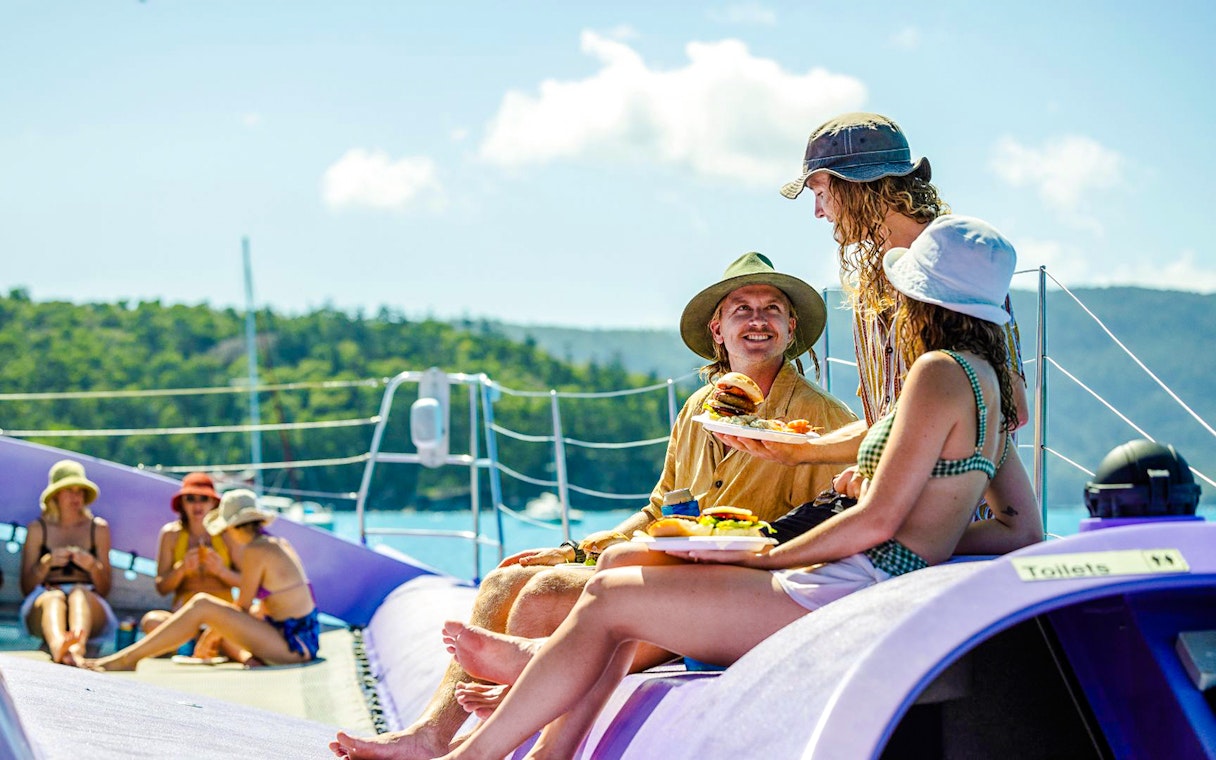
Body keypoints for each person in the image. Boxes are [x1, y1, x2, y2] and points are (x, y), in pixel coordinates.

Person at [421, 214, 1032, 760]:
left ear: (920, 298)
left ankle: (493, 730)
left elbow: (874, 520)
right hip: (874, 575)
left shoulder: (935, 372)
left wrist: (771, 555)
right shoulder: (990, 389)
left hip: (852, 584)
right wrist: (931, 544)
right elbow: (1020, 530)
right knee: (623, 561)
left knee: (610, 596)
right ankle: (540, 731)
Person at [330, 252, 857, 759]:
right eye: (742, 309)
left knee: (542, 594)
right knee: (502, 581)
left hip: (727, 594)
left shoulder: (820, 421)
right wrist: (574, 550)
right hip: (663, 570)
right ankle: (431, 736)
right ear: (717, 331)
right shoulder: (700, 409)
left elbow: (825, 531)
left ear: (791, 330)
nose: (758, 320)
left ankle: (511, 740)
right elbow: (660, 511)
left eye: (772, 310)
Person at [732, 111, 1042, 554]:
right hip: (882, 505)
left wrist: (889, 477)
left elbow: (1008, 411)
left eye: (821, 193)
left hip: (939, 521)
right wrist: (801, 451)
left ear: (859, 189)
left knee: (736, 558)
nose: (818, 212)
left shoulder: (957, 268)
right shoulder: (873, 279)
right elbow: (892, 424)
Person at [76, 489, 319, 671]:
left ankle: (127, 659)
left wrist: (211, 635)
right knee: (204, 608)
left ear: (232, 528)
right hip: (301, 638)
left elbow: (243, 608)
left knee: (202, 604)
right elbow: (270, 605)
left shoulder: (256, 551)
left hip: (293, 645)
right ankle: (129, 658)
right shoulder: (276, 543)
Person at [140, 472, 245, 662]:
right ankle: (206, 646)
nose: (197, 505)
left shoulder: (227, 534)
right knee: (151, 621)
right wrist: (181, 570)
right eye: (190, 498)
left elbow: (246, 582)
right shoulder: (171, 534)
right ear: (182, 503)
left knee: (233, 629)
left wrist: (221, 571)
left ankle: (203, 645)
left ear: (213, 503)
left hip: (223, 615)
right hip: (185, 619)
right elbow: (162, 587)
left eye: (203, 498)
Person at [19, 460, 115, 665]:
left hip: (90, 602)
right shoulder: (37, 529)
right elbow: (26, 588)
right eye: (69, 490)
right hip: (44, 598)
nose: (76, 497)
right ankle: (59, 648)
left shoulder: (98, 528)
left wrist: (91, 566)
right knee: (53, 597)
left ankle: (76, 649)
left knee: (80, 593)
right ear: (55, 495)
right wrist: (46, 564)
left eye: (80, 491)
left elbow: (105, 589)